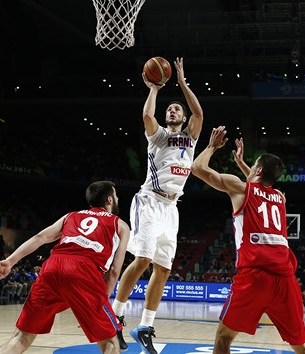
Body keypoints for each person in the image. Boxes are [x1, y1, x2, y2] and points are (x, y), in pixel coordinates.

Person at [190, 126, 305, 354]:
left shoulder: (241, 189)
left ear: (257, 171)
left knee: (224, 337)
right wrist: (245, 166)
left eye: (254, 164)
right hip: (286, 280)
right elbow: (262, 185)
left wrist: (212, 146)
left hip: (254, 276)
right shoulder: (280, 197)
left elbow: (197, 168)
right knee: (300, 344)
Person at [112, 57, 204, 354]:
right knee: (142, 260)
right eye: (170, 109)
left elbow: (200, 113)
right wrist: (154, 88)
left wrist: (182, 83)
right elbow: (147, 117)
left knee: (163, 270)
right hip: (149, 201)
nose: (173, 110)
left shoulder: (190, 138)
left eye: (177, 108)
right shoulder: (159, 136)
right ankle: (115, 315)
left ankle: (145, 326)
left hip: (172, 208)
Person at [0, 181, 130, 354]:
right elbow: (114, 271)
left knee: (22, 336)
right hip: (84, 271)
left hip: (53, 266)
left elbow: (40, 236)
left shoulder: (70, 216)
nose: (117, 198)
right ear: (110, 200)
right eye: (116, 195)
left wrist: (10, 261)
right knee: (110, 341)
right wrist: (97, 306)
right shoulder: (121, 225)